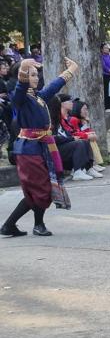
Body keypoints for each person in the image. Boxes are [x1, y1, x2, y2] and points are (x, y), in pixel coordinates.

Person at [1, 57, 78, 237]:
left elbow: (54, 86)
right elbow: (21, 87)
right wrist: (23, 69)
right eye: (32, 75)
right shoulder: (19, 97)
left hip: (41, 146)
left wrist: (71, 70)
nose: (36, 78)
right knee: (42, 189)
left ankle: (9, 226)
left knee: (37, 190)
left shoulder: (38, 97)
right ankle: (37, 225)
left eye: (36, 75)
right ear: (22, 77)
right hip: (29, 149)